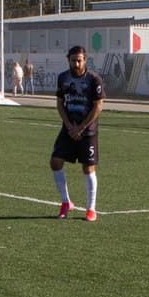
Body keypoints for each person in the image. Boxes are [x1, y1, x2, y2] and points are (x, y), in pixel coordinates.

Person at [50, 45, 103, 222]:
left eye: (80, 60)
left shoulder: (94, 80)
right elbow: (59, 103)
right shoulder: (63, 78)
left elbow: (98, 106)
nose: (77, 63)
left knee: (88, 168)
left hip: (87, 131)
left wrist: (80, 127)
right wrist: (69, 125)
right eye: (73, 60)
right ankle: (66, 202)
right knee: (55, 162)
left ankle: (91, 209)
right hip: (68, 129)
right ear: (69, 60)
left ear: (85, 60)